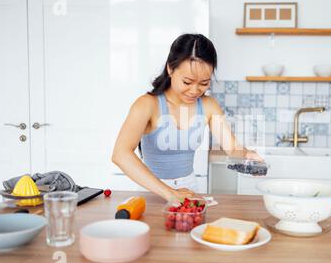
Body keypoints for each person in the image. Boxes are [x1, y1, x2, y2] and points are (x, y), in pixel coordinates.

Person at [112, 34, 263, 204]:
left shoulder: (208, 105)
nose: (195, 90)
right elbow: (120, 154)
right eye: (187, 82)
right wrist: (169, 193)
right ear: (170, 68)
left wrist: (247, 155)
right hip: (152, 190)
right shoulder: (147, 104)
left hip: (190, 189)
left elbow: (232, 148)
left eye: (204, 83)